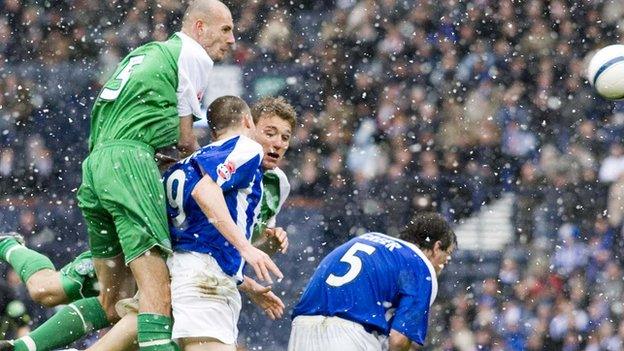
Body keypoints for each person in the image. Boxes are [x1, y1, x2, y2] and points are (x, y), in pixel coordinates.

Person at [1, 1, 239, 350]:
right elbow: (187, 141)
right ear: (199, 28)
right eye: (225, 29)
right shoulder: (193, 55)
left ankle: (20, 337)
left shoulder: (145, 53)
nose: (232, 39)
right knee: (156, 297)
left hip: (100, 165)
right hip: (132, 172)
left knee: (105, 302)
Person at [0, 95, 298, 351]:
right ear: (247, 125)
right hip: (142, 252)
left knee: (134, 309)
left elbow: (213, 241)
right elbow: (205, 229)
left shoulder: (272, 185)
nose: (277, 143)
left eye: (285, 137)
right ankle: (8, 245)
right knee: (48, 290)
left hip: (172, 266)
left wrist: (259, 252)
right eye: (269, 132)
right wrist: (248, 249)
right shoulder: (220, 159)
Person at [288, 212, 456, 351]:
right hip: (350, 336)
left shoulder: (367, 238)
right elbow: (398, 340)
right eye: (447, 255)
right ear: (436, 247)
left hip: (302, 327)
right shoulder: (421, 267)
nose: (444, 265)